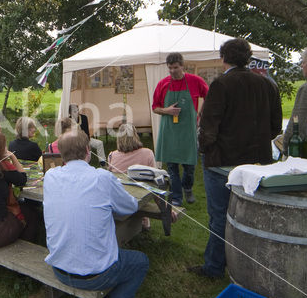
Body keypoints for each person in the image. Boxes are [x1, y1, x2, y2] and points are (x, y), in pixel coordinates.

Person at [193, 38, 282, 279]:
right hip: (258, 161)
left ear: (223, 58)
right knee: (253, 216)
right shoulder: (268, 85)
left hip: (223, 161)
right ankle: (250, 266)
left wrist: (204, 149)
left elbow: (208, 127)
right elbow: (275, 127)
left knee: (220, 216)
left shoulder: (221, 84)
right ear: (248, 58)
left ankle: (214, 266)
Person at [43, 128, 148, 298]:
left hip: (59, 267)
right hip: (96, 275)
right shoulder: (102, 177)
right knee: (141, 261)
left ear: (61, 154)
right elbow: (131, 206)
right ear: (87, 150)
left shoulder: (50, 176)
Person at [152, 52, 209, 206]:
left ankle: (188, 187)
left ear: (182, 66)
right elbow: (155, 108)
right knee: (172, 167)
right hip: (169, 131)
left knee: (190, 165)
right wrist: (167, 111)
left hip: (188, 131)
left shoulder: (195, 81)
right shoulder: (163, 84)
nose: (172, 71)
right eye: (169, 68)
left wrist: (201, 115)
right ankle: (177, 197)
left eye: (175, 67)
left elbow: (209, 96)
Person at [108, 123, 156, 231]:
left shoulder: (112, 156)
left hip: (119, 198)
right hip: (139, 197)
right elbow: (156, 181)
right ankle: (144, 222)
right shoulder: (148, 153)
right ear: (135, 135)